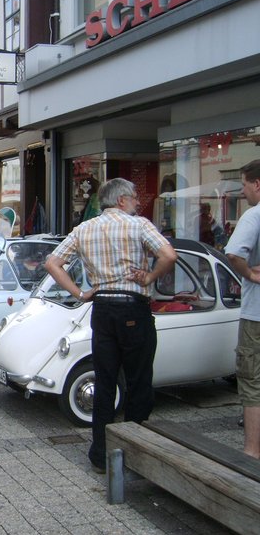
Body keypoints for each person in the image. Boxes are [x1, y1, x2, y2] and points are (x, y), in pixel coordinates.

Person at [44, 178, 177, 473]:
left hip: (102, 309)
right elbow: (169, 255)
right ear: (121, 201)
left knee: (105, 381)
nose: (138, 202)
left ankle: (100, 453)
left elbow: (52, 263)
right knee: (138, 381)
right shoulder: (138, 225)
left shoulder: (84, 229)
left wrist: (80, 293)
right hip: (133, 307)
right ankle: (135, 450)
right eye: (133, 198)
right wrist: (150, 277)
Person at [225, 159, 260, 459]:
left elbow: (234, 253)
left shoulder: (254, 215)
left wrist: (249, 274)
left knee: (252, 382)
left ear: (257, 184)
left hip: (257, 315)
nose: (243, 191)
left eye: (244, 185)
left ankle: (252, 452)